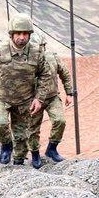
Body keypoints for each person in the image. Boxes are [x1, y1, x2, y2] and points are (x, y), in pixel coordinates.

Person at [0, 13, 52, 169]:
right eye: (18, 33)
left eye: (25, 34)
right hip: (0, 98)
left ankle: (18, 162)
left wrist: (40, 98)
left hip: (25, 100)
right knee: (0, 124)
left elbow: (45, 75)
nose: (22, 37)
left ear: (29, 35)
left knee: (21, 134)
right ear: (11, 34)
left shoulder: (37, 52)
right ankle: (6, 145)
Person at [28, 35, 73, 163]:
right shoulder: (25, 61)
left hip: (52, 97)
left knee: (60, 121)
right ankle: (35, 154)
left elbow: (64, 73)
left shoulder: (52, 57)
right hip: (34, 99)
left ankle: (52, 149)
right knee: (33, 128)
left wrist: (69, 93)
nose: (39, 50)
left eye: (41, 47)